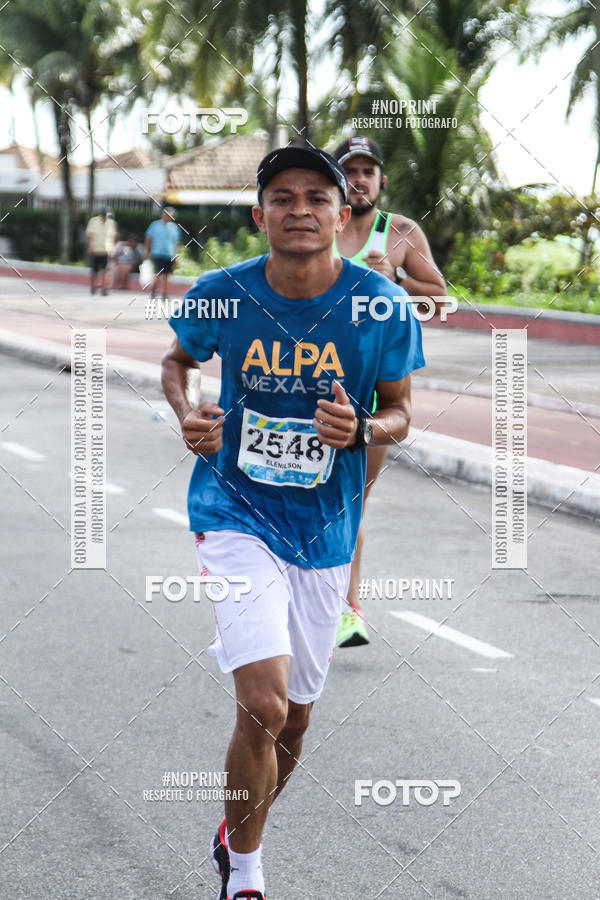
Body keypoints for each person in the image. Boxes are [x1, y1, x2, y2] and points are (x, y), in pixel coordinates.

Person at [161, 146, 425, 900]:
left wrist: (365, 429)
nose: (300, 208)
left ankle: (232, 834)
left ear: (344, 216)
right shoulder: (224, 292)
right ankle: (246, 878)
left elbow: (403, 411)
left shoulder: (380, 306)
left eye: (317, 197)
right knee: (263, 703)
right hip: (234, 510)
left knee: (295, 725)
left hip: (324, 529)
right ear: (260, 215)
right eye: (282, 196)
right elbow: (177, 362)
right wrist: (188, 415)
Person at [332, 135, 447, 648]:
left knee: (351, 501)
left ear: (381, 180)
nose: (358, 179)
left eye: (367, 171)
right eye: (349, 170)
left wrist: (395, 280)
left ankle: (346, 610)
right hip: (315, 378)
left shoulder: (398, 231)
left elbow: (440, 297)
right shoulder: (319, 222)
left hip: (376, 384)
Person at [144, 206, 182, 301]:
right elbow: (149, 238)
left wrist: (177, 255)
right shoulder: (155, 225)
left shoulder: (174, 228)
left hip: (169, 254)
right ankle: (153, 290)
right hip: (157, 252)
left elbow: (177, 243)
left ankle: (164, 293)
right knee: (159, 273)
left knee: (167, 275)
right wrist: (147, 251)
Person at [85, 208, 117, 295]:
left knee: (105, 270)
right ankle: (93, 286)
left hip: (106, 250)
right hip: (95, 250)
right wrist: (90, 247)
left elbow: (113, 237)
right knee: (94, 271)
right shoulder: (94, 221)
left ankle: (104, 288)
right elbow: (89, 235)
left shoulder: (111, 223)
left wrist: (113, 249)